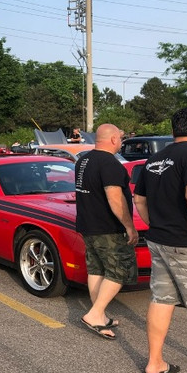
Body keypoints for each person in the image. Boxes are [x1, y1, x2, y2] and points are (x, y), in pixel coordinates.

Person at [133, 106, 187, 373]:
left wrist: (155, 225)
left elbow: (139, 199)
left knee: (162, 299)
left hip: (158, 241)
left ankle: (155, 362)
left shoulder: (154, 159)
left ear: (174, 131)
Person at [74, 124, 138, 338]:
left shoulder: (83, 160)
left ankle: (98, 314)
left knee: (97, 269)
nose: (121, 142)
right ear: (112, 140)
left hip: (87, 225)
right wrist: (129, 226)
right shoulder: (110, 163)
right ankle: (95, 314)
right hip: (107, 228)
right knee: (119, 270)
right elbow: (114, 198)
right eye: (120, 138)